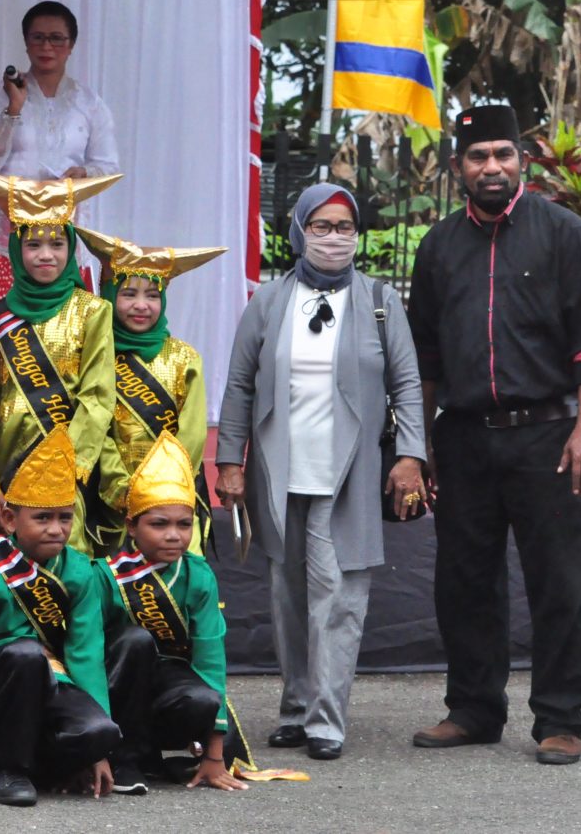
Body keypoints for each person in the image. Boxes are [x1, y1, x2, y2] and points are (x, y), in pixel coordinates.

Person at [405, 105, 581, 766]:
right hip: (464, 439)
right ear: (457, 167)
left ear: (521, 160)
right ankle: (472, 708)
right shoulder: (438, 245)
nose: (491, 167)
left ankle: (560, 719)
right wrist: (422, 444)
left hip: (549, 438)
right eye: (477, 157)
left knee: (560, 581)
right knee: (464, 580)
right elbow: (426, 357)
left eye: (502, 154)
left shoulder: (562, 233)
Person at [215, 183, 426, 762]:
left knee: (338, 596)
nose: (334, 238)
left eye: (344, 227)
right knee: (287, 597)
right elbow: (238, 384)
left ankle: (327, 720)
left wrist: (410, 455)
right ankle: (295, 709)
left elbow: (406, 383)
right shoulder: (268, 300)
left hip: (348, 474)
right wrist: (229, 460)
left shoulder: (381, 299)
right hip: (280, 473)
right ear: (300, 231)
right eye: (322, 226)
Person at [0, 425, 121, 807]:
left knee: (102, 731)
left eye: (64, 517)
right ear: (9, 519)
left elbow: (86, 655)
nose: (56, 529)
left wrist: (94, 749)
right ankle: (8, 767)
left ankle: (43, 763)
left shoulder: (80, 571)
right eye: (42, 518)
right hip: (0, 684)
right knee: (24, 655)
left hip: (54, 683)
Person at [0, 169, 119, 554]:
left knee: (66, 577)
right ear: (17, 249)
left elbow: (98, 396)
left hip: (66, 473)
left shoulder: (93, 312)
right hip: (6, 470)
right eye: (34, 245)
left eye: (57, 244)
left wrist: (65, 466)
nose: (46, 255)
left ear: (71, 248)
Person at [98, 432, 252, 794]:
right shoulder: (104, 575)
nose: (174, 536)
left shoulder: (198, 575)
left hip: (169, 688)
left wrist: (214, 757)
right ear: (131, 526)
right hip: (117, 688)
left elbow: (210, 662)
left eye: (184, 525)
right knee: (135, 641)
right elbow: (87, 654)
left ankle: (155, 754)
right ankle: (123, 756)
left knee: (204, 699)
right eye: (159, 524)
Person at [75, 225, 226, 556]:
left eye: (152, 295)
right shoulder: (97, 354)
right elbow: (95, 429)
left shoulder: (184, 357)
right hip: (110, 493)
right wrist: (120, 486)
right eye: (129, 294)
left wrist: (162, 487)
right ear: (110, 294)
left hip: (171, 493)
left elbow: (191, 435)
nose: (141, 305)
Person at [0, 1, 120, 306]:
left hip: (62, 235)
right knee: (5, 326)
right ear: (26, 43)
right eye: (37, 37)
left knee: (63, 332)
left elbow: (107, 166)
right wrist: (13, 109)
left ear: (71, 45)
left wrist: (83, 174)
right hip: (8, 233)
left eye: (56, 38)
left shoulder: (90, 103)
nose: (47, 46)